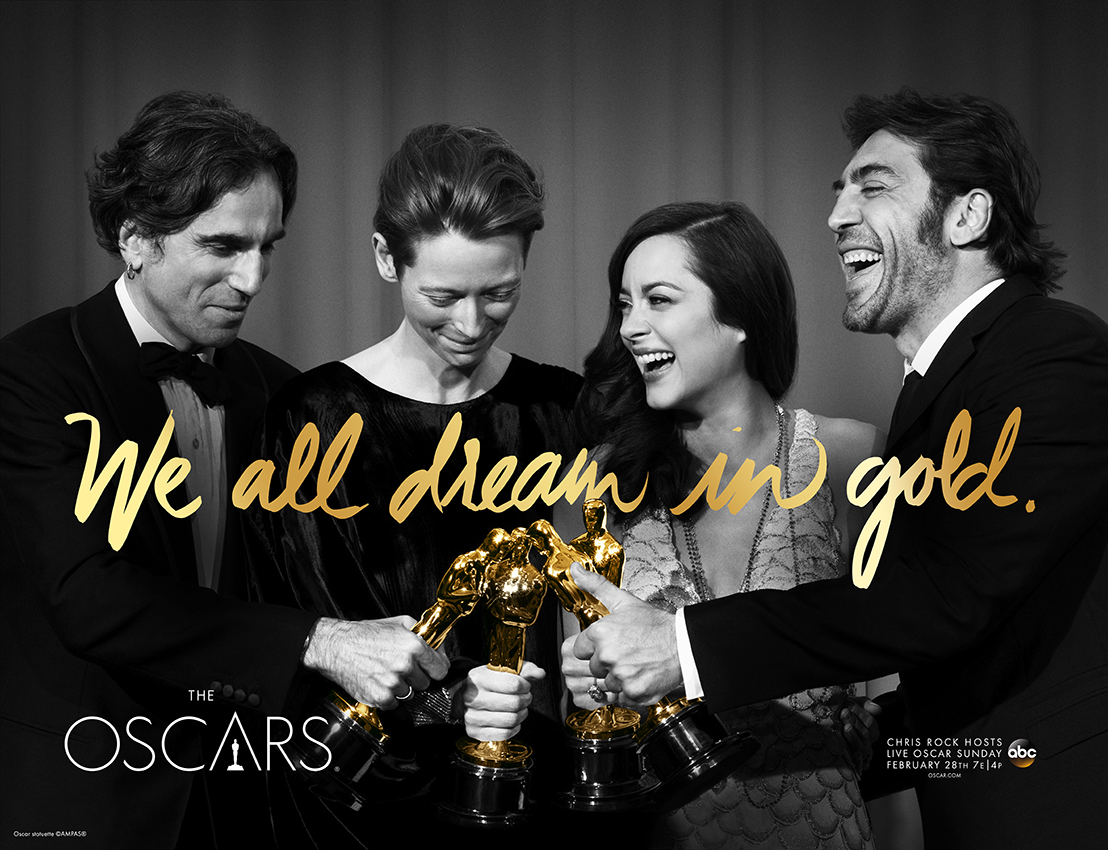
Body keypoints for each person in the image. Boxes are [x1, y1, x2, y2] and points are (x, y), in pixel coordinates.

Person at [569, 89, 1108, 848]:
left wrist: (683, 648)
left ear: (967, 216)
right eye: (839, 190)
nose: (836, 215)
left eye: (873, 186)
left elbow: (946, 598)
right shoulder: (938, 388)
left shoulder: (1048, 352)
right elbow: (980, 665)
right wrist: (836, 750)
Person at [0, 92, 447, 849]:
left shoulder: (282, 392)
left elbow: (329, 584)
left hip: (248, 799)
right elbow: (89, 597)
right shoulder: (30, 376)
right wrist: (320, 641)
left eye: (267, 247)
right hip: (85, 796)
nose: (252, 278)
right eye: (224, 246)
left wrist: (446, 680)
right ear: (135, 239)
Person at [244, 123, 582, 844]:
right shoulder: (312, 416)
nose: (471, 323)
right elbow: (303, 637)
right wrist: (451, 701)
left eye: (500, 292)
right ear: (384, 258)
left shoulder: (562, 408)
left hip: (529, 795)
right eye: (443, 295)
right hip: (354, 804)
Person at [558, 201, 882, 848]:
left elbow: (906, 708)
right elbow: (580, 717)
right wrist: (586, 696)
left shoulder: (854, 459)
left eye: (658, 300)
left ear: (739, 315)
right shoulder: (593, 485)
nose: (631, 327)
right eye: (625, 305)